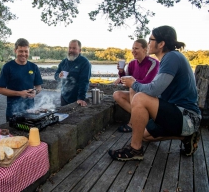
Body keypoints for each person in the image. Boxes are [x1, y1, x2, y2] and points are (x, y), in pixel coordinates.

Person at [108, 25, 202, 161]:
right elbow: (157, 91)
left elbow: (154, 89)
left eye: (151, 39)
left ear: (161, 44)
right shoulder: (168, 59)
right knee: (144, 135)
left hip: (187, 117)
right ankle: (186, 137)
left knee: (140, 97)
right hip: (177, 115)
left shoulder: (172, 57)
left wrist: (133, 84)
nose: (149, 42)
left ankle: (135, 149)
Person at [113, 39, 159, 132]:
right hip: (136, 96)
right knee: (117, 95)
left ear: (145, 49)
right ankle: (143, 117)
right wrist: (121, 73)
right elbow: (126, 81)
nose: (133, 51)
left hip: (151, 96)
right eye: (132, 48)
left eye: (136, 48)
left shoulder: (154, 63)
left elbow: (148, 82)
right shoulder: (131, 63)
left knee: (133, 88)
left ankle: (132, 123)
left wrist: (132, 81)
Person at [0, 38, 43, 121]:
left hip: (30, 110)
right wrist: (20, 93)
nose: (23, 54)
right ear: (15, 51)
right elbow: (1, 90)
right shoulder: (7, 67)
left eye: (26, 51)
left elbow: (39, 87)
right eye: (21, 51)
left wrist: (35, 92)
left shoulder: (34, 67)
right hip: (13, 111)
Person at [54, 39, 91, 107]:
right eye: (70, 48)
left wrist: (81, 98)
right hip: (64, 97)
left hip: (76, 99)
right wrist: (59, 76)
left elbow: (84, 81)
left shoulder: (85, 63)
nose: (71, 50)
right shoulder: (64, 62)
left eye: (74, 48)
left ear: (79, 50)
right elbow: (56, 75)